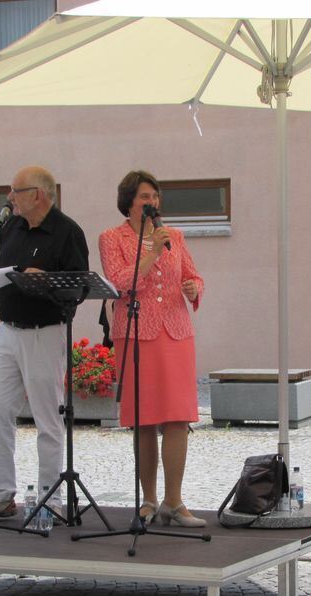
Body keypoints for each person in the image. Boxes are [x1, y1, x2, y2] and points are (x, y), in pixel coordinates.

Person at [0, 166, 89, 520]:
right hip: (7, 329)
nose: (9, 197)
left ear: (38, 194)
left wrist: (48, 281)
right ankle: (0, 492)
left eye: (15, 191)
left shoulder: (67, 232)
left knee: (48, 416)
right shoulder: (10, 227)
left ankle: (50, 497)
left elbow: (81, 287)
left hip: (45, 330)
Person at [99, 170, 205, 528]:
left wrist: (194, 287)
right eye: (145, 197)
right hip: (135, 334)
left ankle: (174, 502)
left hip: (175, 333)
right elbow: (117, 281)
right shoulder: (111, 238)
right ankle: (148, 499)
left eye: (155, 197)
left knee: (178, 418)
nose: (152, 203)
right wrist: (152, 252)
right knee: (144, 420)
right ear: (129, 200)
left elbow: (193, 274)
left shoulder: (174, 235)